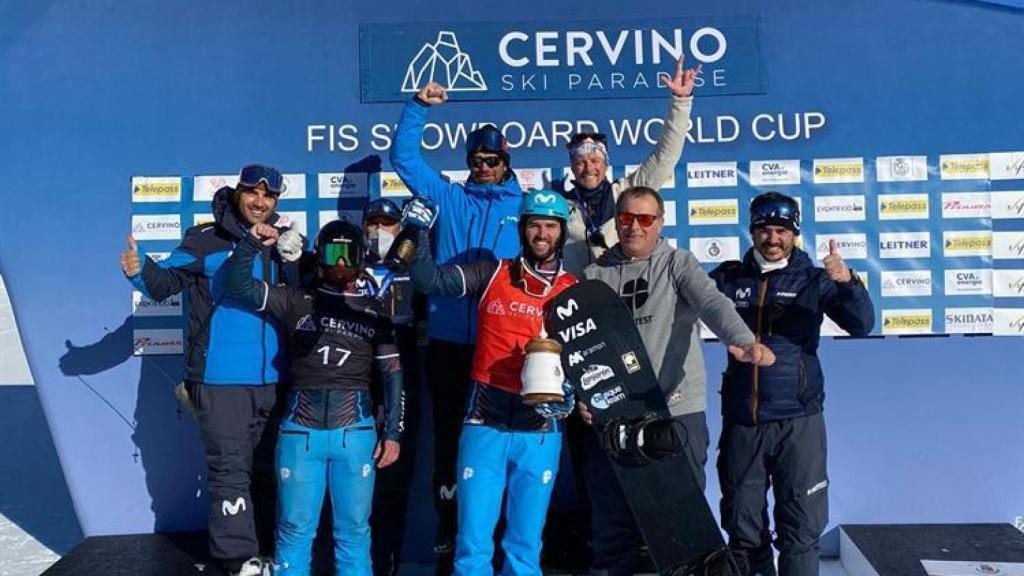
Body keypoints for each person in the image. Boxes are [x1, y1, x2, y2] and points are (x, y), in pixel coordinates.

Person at [578, 186, 774, 576]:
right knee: (613, 523)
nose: (635, 227)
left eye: (645, 219)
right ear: (617, 221)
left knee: (682, 527)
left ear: (660, 223)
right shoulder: (592, 275)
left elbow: (712, 302)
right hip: (615, 417)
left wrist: (741, 339)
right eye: (627, 218)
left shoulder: (678, 264)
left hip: (676, 409)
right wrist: (585, 395)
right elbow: (584, 347)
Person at [119, 164, 300, 576]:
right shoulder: (206, 239)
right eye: (252, 193)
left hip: (275, 378)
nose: (260, 202)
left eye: (269, 196)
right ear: (237, 194)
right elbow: (163, 284)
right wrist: (138, 270)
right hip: (220, 380)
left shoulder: (284, 242)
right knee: (231, 471)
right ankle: (239, 560)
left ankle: (274, 553)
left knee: (273, 470)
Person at [390, 80, 524, 572]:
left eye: (492, 159)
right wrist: (417, 108)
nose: (484, 167)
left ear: (505, 162)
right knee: (449, 442)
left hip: (502, 347)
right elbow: (405, 161)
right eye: (477, 159)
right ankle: (449, 538)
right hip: (447, 343)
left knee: (503, 443)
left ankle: (505, 541)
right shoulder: (448, 197)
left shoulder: (524, 207)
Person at [408, 190, 577, 576]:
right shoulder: (491, 272)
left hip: (540, 425)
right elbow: (427, 279)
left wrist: (571, 391)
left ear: (562, 233)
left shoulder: (572, 289)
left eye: (551, 226)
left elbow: (583, 359)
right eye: (534, 224)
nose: (542, 233)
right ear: (521, 229)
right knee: (471, 544)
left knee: (525, 546)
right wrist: (417, 233)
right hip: (486, 417)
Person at [224, 218, 405, 576]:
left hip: (355, 433)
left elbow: (393, 374)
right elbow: (237, 284)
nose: (340, 263)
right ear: (319, 256)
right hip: (300, 433)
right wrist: (250, 243)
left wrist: (394, 434)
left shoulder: (375, 309)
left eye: (348, 254)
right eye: (333, 253)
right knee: (293, 531)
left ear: (361, 257)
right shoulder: (295, 300)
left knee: (353, 533)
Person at [709, 192, 874, 576]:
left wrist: (848, 283)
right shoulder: (727, 278)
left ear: (794, 234)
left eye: (782, 230)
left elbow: (862, 324)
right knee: (743, 529)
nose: (773, 238)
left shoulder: (815, 279)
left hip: (798, 423)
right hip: (743, 422)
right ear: (752, 231)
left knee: (800, 530)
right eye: (765, 229)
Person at [561, 55, 700, 275]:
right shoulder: (559, 206)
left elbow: (665, 156)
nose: (589, 167)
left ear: (606, 164)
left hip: (624, 292)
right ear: (572, 167)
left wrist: (680, 101)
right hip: (578, 300)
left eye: (595, 160)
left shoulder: (627, 191)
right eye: (581, 161)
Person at [359, 198, 424, 576]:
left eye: (389, 223)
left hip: (404, 383)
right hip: (357, 384)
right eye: (373, 223)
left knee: (395, 482)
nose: (380, 230)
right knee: (354, 484)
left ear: (401, 229)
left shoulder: (417, 271)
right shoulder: (346, 267)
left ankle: (387, 564)